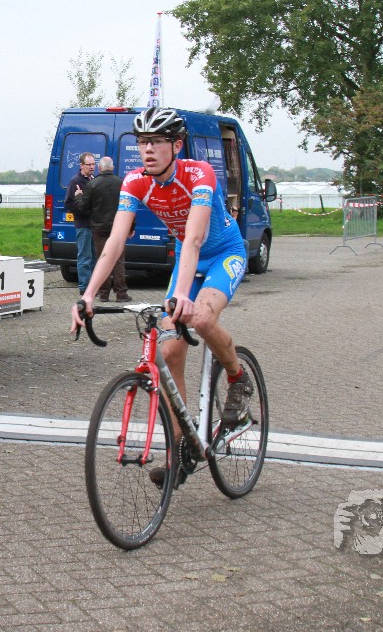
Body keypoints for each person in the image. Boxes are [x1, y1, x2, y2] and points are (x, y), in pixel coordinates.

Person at [71, 108, 253, 488]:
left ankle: (238, 379)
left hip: (222, 253)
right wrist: (86, 295)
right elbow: (115, 242)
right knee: (167, 354)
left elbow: (195, 238)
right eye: (142, 142)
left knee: (201, 317)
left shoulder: (199, 174)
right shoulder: (135, 182)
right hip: (187, 257)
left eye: (156, 141)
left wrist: (183, 294)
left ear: (177, 145)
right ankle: (181, 449)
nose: (147, 150)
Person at [81, 156, 131, 302]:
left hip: (99, 228)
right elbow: (129, 206)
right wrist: (131, 226)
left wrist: (78, 197)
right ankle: (121, 293)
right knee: (118, 260)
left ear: (99, 168)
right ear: (113, 168)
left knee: (102, 259)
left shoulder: (92, 184)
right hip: (118, 228)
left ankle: (103, 294)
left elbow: (83, 207)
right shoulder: (121, 183)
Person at [65, 152, 96, 292]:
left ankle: (93, 286)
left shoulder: (93, 179)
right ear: (81, 165)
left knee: (94, 256)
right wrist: (83, 211)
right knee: (85, 256)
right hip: (83, 225)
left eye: (93, 164)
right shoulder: (75, 181)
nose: (92, 167)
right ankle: (84, 287)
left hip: (95, 224)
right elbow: (68, 203)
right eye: (89, 164)